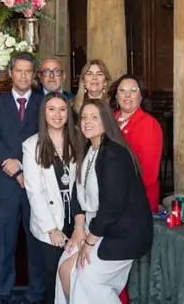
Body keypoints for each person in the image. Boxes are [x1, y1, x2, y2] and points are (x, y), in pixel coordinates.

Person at [56, 100, 153, 304]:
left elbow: (112, 207)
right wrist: (79, 226)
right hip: (96, 226)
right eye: (83, 117)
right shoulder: (87, 150)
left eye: (94, 117)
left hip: (122, 232)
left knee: (86, 278)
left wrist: (89, 243)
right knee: (64, 268)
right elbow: (76, 192)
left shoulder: (114, 153)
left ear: (106, 122)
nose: (87, 122)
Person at [0, 51, 46, 304]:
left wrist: (22, 166)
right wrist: (12, 167)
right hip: (5, 186)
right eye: (18, 70)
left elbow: (47, 139)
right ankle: (2, 293)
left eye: (28, 71)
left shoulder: (43, 104)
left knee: (36, 244)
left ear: (33, 75)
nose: (23, 75)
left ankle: (36, 294)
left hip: (36, 186)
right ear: (10, 73)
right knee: (4, 244)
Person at [23, 92, 77, 303]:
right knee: (53, 278)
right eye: (51, 109)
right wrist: (51, 228)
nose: (57, 115)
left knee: (77, 275)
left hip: (78, 218)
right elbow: (34, 191)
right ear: (43, 113)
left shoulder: (78, 139)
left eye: (62, 110)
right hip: (51, 222)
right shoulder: (32, 145)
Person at [111, 74, 163, 212]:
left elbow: (148, 173)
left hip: (136, 201)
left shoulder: (148, 124)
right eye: (122, 90)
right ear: (116, 95)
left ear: (141, 96)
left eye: (133, 90)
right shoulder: (109, 119)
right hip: (110, 198)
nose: (127, 95)